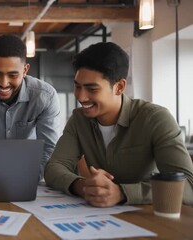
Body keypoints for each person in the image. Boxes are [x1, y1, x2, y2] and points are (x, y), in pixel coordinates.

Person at [44, 42, 193, 207]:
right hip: (99, 218)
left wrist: (122, 192)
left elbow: (188, 185)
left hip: (148, 215)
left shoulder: (156, 118)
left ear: (119, 87)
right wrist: (84, 186)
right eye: (77, 86)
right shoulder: (79, 120)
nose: (81, 97)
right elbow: (54, 168)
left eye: (92, 89)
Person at [0, 34, 61, 178]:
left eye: (12, 75)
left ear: (25, 70)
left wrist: (30, 178)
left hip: (33, 173)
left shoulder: (45, 96)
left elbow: (49, 149)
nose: (4, 83)